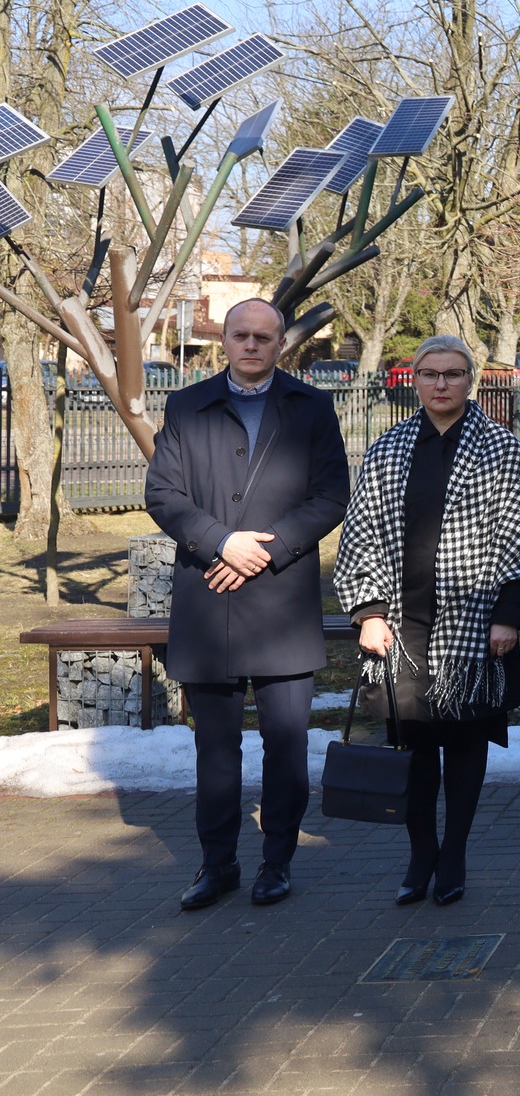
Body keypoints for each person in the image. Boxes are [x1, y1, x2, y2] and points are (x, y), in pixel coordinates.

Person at [145, 298, 349, 910]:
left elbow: (331, 495)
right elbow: (162, 493)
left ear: (281, 343)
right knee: (215, 750)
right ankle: (218, 864)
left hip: (282, 602)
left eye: (264, 336)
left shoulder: (312, 407)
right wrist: (221, 543)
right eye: (241, 335)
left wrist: (271, 548)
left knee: (286, 746)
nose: (252, 345)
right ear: (225, 341)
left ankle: (277, 863)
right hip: (211, 601)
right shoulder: (186, 405)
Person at [334, 335, 520, 906]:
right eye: (429, 374)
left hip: (474, 628)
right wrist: (369, 613)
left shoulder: (499, 449)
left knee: (465, 745)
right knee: (414, 748)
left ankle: (453, 854)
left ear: (470, 379)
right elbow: (360, 535)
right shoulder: (388, 449)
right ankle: (420, 852)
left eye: (453, 374)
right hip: (402, 628)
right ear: (415, 380)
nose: (441, 384)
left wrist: (510, 616)